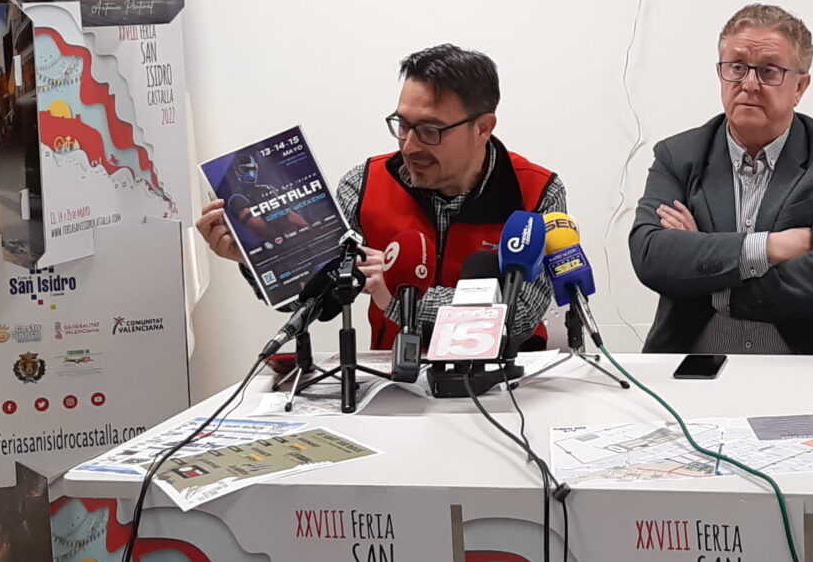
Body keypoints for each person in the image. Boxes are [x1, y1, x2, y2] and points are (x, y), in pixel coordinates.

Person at [195, 44, 567, 350]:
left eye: (430, 130)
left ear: (482, 128)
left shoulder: (538, 192)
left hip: (509, 388)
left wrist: (400, 301)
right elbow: (317, 300)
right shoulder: (363, 185)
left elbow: (518, 316)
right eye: (403, 124)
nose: (410, 145)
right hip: (394, 388)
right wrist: (257, 259)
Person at [629, 4, 813, 355]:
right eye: (736, 67)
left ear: (800, 86)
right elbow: (651, 256)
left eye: (768, 71)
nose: (749, 84)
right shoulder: (678, 156)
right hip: (697, 361)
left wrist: (710, 277)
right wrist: (770, 247)